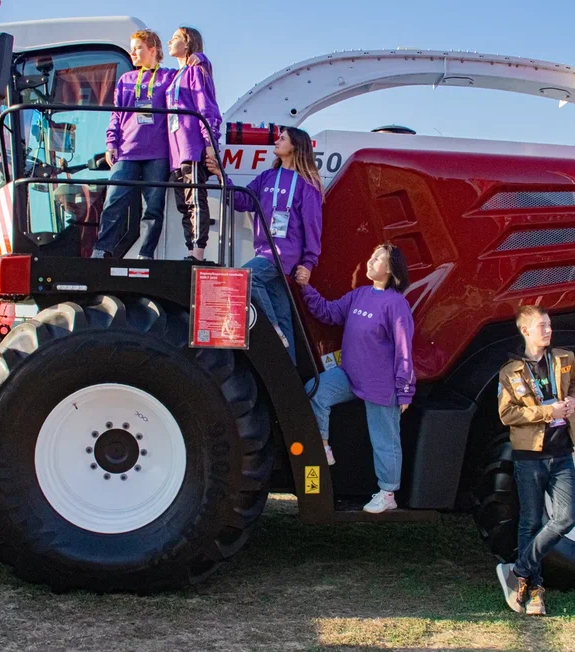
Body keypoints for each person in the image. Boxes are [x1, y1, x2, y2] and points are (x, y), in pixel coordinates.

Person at [298, 244, 415, 514]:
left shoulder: (396, 305)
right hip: (348, 375)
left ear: (392, 270)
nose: (370, 261)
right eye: (372, 256)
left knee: (384, 440)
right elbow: (328, 312)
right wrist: (306, 288)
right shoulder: (360, 295)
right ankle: (324, 446)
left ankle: (388, 493)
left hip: (380, 385)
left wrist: (405, 392)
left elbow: (404, 351)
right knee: (315, 391)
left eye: (378, 259)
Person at [495, 305, 575, 616]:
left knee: (566, 518)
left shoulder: (563, 359)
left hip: (561, 454)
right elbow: (507, 414)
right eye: (541, 326)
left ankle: (517, 570)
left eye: (549, 325)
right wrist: (548, 412)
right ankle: (533, 591)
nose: (548, 331)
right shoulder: (510, 372)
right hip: (529, 456)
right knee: (530, 523)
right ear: (525, 331)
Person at [228, 127, 322, 361]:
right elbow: (241, 201)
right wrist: (222, 178)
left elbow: (313, 225)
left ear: (295, 146)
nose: (277, 141)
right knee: (283, 316)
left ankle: (271, 332)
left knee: (247, 276)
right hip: (265, 251)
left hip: (285, 255)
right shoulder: (267, 177)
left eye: (283, 138)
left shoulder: (307, 184)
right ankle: (289, 376)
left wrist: (309, 263)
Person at [93, 30, 175, 260]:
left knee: (153, 207)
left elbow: (193, 78)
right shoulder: (126, 79)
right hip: (127, 151)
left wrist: (199, 59)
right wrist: (111, 143)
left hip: (157, 154)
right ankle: (102, 249)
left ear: (152, 50)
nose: (132, 52)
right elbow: (116, 115)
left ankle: (146, 255)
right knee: (114, 199)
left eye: (137, 47)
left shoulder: (169, 77)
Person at [165, 26, 222, 261]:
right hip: (175, 151)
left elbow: (206, 107)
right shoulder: (175, 75)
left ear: (187, 44)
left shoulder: (196, 70)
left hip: (192, 145)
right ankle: (191, 250)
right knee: (183, 203)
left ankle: (197, 252)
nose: (169, 42)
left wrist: (209, 142)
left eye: (175, 38)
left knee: (194, 199)